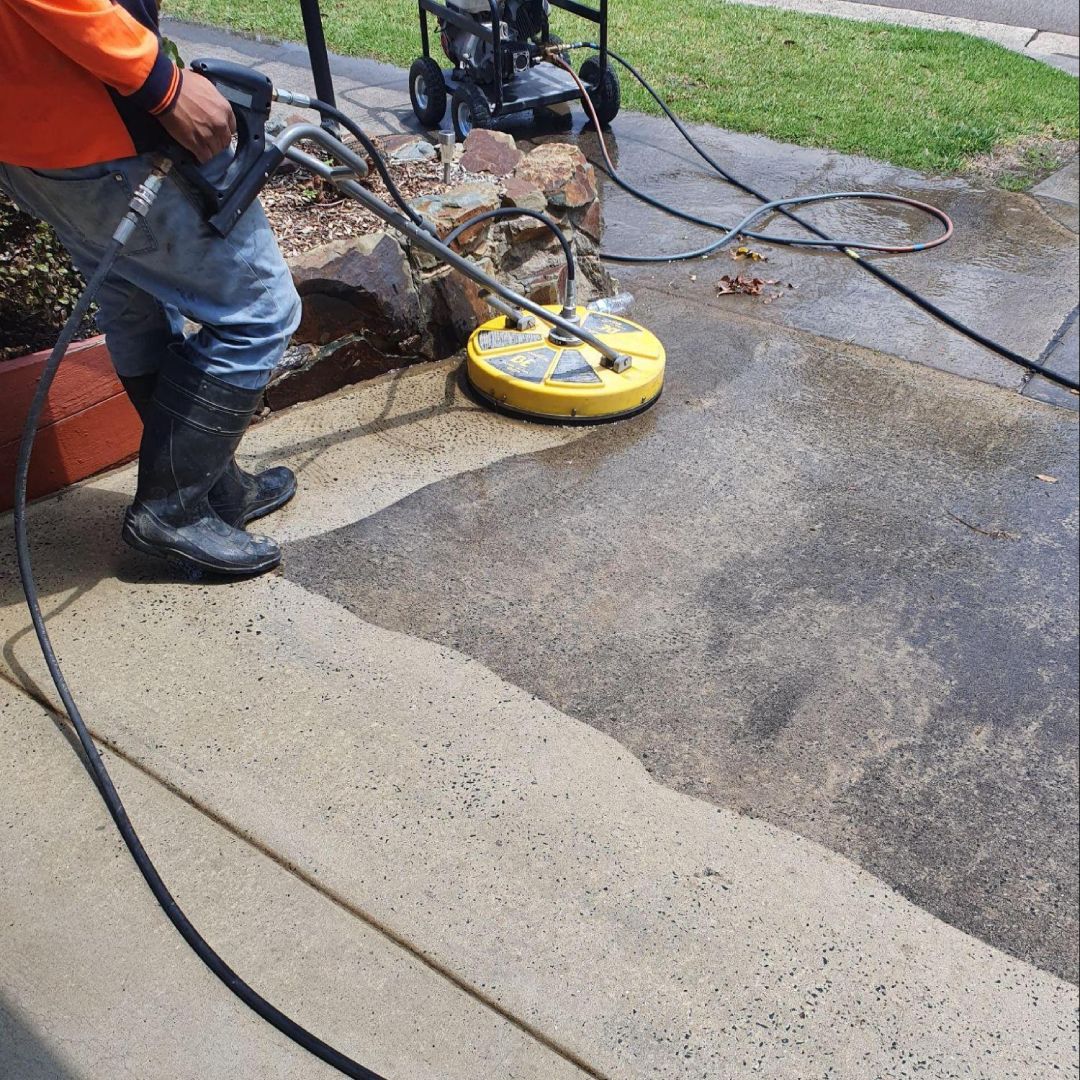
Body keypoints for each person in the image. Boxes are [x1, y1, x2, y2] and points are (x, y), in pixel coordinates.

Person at [0, 0, 302, 576]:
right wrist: (162, 85)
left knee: (133, 304)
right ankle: (174, 510)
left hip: (38, 147)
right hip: (110, 125)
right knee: (260, 313)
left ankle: (214, 488)